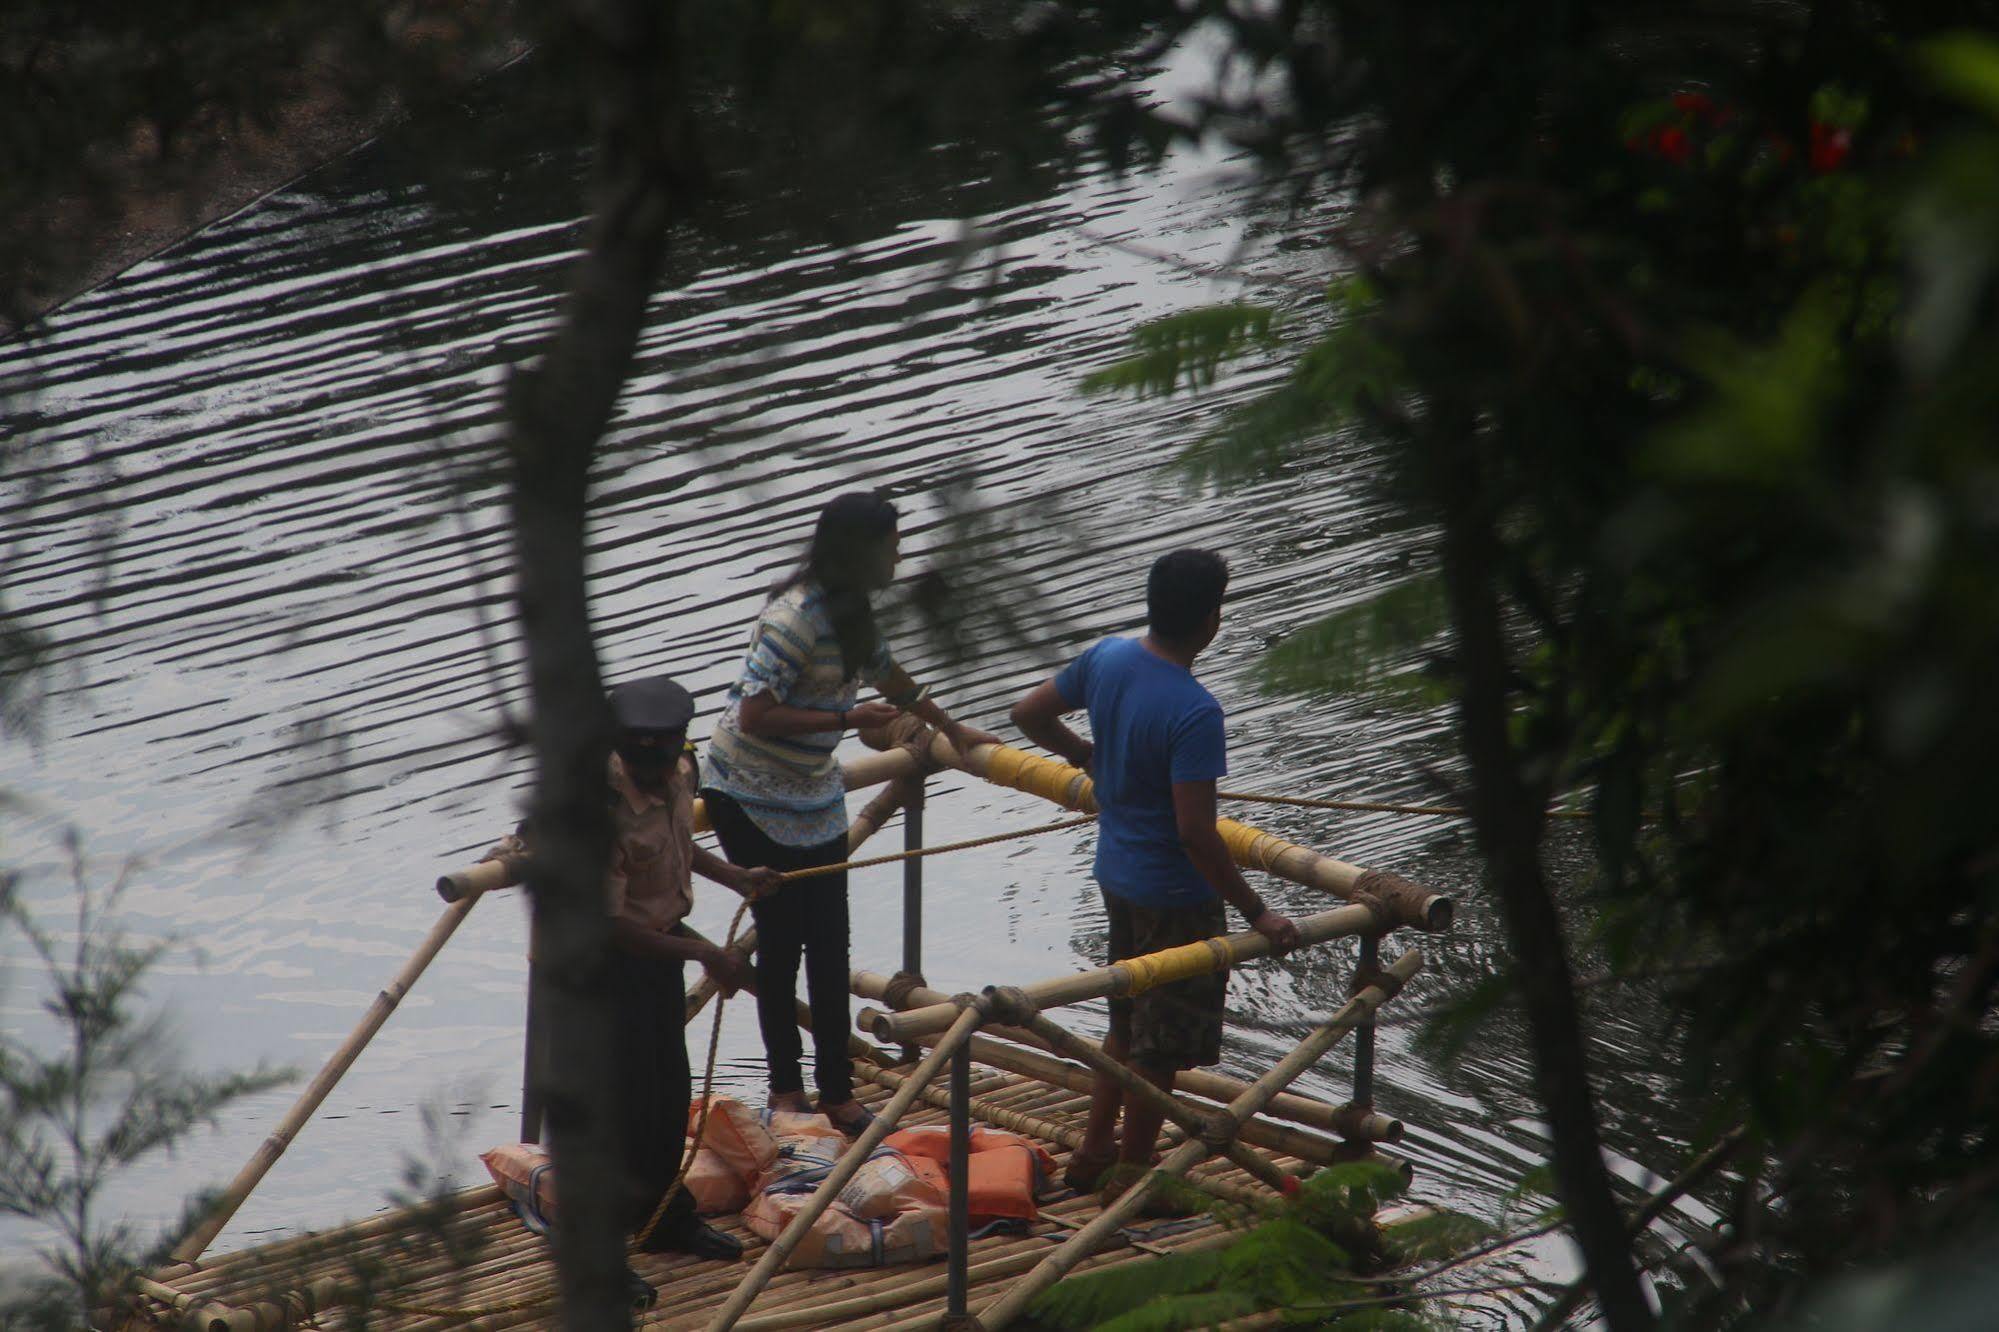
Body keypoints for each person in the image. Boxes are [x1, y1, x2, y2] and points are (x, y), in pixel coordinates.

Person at [700, 490, 999, 1136]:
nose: (899, 554)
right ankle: (786, 1091)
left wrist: (954, 728)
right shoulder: (793, 620)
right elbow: (754, 714)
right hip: (748, 792)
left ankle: (836, 1091)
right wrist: (845, 717)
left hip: (811, 790)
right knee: (780, 947)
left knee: (830, 942)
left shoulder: (854, 612)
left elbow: (892, 679)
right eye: (891, 544)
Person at [1009, 548, 1302, 1202]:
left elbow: (1026, 714)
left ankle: (1091, 1152)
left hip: (1115, 875)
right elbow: (1194, 832)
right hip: (1172, 896)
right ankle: (1133, 1182)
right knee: (1159, 1047)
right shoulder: (1194, 711)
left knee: (1124, 1021)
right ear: (1210, 619)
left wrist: (1084, 753)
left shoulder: (1107, 658)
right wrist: (1258, 911)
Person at [495, 675, 779, 1263]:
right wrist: (706, 954)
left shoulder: (681, 769)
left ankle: (665, 1219)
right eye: (641, 764)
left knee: (665, 1097)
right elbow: (610, 924)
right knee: (612, 1110)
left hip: (657, 950)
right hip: (601, 963)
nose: (657, 775)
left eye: (666, 759)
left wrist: (737, 876)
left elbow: (673, 844)